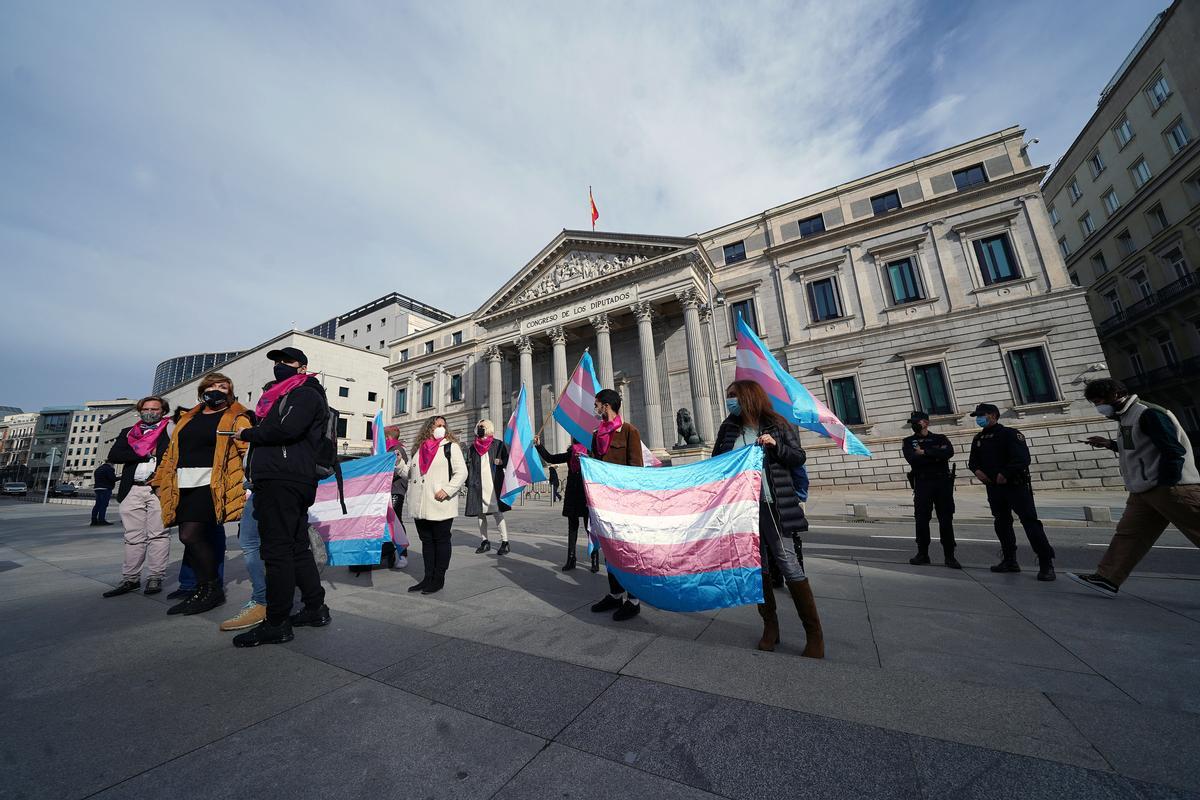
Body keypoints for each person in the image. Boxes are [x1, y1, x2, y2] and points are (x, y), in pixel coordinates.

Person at [714, 380, 824, 658]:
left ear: (749, 397)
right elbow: (716, 462)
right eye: (729, 398)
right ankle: (770, 627)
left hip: (773, 505)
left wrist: (775, 446)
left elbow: (798, 457)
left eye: (733, 397)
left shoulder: (777, 424)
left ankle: (814, 635)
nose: (730, 402)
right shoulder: (729, 428)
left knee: (788, 563)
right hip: (743, 508)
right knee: (757, 567)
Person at [232, 347, 333, 647]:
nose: (279, 366)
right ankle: (315, 608)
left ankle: (277, 622)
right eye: (276, 362)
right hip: (283, 477)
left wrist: (249, 434)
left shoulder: (304, 393)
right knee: (297, 546)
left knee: (276, 551)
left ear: (302, 367)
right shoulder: (282, 395)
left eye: (286, 362)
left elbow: (287, 429)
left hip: (284, 477)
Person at [1068, 379, 1200, 597]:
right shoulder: (1126, 417)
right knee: (1129, 535)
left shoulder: (1148, 413)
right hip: (1143, 490)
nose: (1098, 407)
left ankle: (1108, 577)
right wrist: (1110, 444)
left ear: (1116, 394)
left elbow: (1173, 450)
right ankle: (1107, 578)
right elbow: (1137, 448)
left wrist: (1167, 483)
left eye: (1099, 401)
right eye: (1094, 402)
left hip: (1171, 488)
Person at [153, 372, 252, 616]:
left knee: (190, 535)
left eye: (224, 387)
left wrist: (249, 483)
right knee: (193, 537)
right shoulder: (188, 417)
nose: (218, 390)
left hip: (212, 484)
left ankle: (211, 590)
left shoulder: (236, 417)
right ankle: (201, 588)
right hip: (182, 483)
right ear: (203, 389)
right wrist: (159, 480)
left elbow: (248, 451)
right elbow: (171, 451)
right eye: (213, 385)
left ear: (230, 393)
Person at [967, 403, 1056, 581]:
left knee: (1030, 522)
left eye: (981, 415)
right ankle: (1010, 560)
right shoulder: (979, 438)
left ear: (993, 415)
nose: (979, 419)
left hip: (1015, 486)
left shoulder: (1009, 434)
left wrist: (1005, 473)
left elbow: (1022, 459)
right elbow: (973, 461)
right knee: (1002, 523)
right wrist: (977, 472)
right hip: (994, 488)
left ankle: (1046, 564)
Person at [102, 396, 173, 597]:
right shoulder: (128, 432)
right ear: (139, 411)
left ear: (163, 411)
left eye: (155, 409)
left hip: (158, 489)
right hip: (132, 488)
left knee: (158, 534)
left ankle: (155, 577)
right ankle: (130, 578)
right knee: (132, 536)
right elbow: (115, 455)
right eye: (146, 408)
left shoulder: (170, 430)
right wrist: (145, 452)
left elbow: (174, 455)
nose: (150, 412)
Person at [221, 381, 275, 632]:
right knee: (250, 542)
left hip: (277, 489)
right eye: (263, 396)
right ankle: (263, 598)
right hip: (255, 489)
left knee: (277, 546)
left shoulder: (285, 423)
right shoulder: (258, 425)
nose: (265, 400)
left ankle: (267, 601)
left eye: (269, 395)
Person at [588, 389, 646, 622]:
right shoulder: (596, 434)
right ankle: (615, 594)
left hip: (625, 503)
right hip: (603, 503)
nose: (595, 408)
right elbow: (596, 464)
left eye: (597, 404)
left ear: (607, 405)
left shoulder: (630, 431)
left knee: (628, 551)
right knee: (610, 550)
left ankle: (634, 599)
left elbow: (636, 469)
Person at [407, 415, 467, 594]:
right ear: (429, 428)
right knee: (426, 542)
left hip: (441, 502)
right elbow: (410, 474)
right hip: (420, 504)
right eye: (437, 425)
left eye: (443, 425)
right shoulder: (419, 449)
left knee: (441, 541)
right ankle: (427, 577)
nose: (441, 428)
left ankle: (438, 578)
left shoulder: (451, 446)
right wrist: (398, 464)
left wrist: (448, 490)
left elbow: (462, 472)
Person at [902, 411, 960, 569]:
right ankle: (922, 553)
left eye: (917, 422)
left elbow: (948, 453)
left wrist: (925, 452)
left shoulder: (940, 438)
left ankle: (950, 556)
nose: (914, 425)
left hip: (942, 483)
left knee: (945, 520)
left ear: (926, 423)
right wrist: (935, 456)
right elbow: (912, 459)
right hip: (922, 483)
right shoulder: (908, 441)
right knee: (921, 519)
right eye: (912, 422)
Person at [536, 436, 598, 572]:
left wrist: (587, 459)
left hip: (586, 493)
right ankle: (571, 558)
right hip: (572, 493)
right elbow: (551, 458)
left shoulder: (591, 454)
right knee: (572, 527)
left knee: (590, 528)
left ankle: (594, 559)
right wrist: (539, 445)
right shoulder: (570, 453)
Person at [464, 419, 511, 556]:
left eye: (482, 427)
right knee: (480, 513)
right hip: (478, 484)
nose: (480, 428)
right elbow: (469, 465)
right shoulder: (473, 447)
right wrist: (469, 482)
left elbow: (508, 460)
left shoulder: (498, 444)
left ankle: (505, 541)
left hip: (493, 483)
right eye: (478, 426)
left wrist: (501, 461)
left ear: (489, 428)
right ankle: (485, 541)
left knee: (497, 512)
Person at [91, 460, 117, 526]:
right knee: (103, 505)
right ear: (111, 463)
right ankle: (101, 520)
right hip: (105, 488)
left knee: (97, 505)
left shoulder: (98, 469)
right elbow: (113, 478)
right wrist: (121, 477)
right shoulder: (109, 469)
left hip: (97, 488)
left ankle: (93, 520)